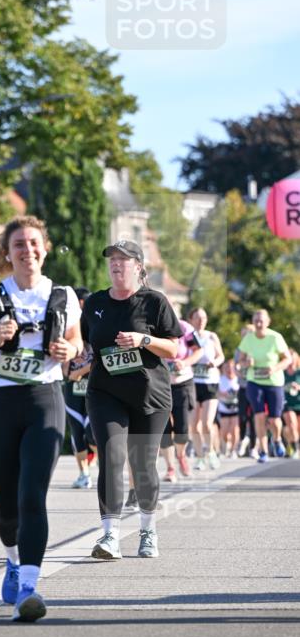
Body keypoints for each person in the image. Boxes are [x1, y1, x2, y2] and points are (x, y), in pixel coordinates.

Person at [0, 217, 82, 622]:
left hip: (44, 400)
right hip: (1, 403)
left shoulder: (62, 295)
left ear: (44, 248)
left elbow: (77, 342)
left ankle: (29, 585)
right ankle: (10, 559)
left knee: (32, 497)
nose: (27, 250)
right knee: (5, 502)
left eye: (33, 243)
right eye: (19, 244)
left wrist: (68, 351)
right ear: (7, 253)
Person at [80, 240, 181, 562]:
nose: (116, 264)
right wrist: (77, 360)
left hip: (150, 395)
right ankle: (110, 535)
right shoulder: (95, 303)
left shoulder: (154, 302)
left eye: (123, 259)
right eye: (112, 259)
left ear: (138, 266)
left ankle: (148, 531)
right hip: (105, 392)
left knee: (143, 464)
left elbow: (174, 349)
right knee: (111, 454)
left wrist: (144, 340)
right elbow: (87, 345)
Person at [236, 310, 292, 462]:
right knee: (259, 415)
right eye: (256, 321)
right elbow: (239, 362)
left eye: (261, 321)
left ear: (268, 322)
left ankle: (277, 439)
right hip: (254, 382)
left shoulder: (275, 337)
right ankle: (263, 451)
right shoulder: (248, 339)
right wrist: (246, 363)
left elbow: (287, 359)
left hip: (274, 382)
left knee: (274, 419)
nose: (259, 324)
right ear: (253, 322)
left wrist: (275, 368)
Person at [158, 302, 198, 483]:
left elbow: (199, 351)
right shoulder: (155, 328)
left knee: (182, 428)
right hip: (160, 384)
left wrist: (186, 362)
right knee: (164, 428)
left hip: (182, 382)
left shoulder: (185, 328)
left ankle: (181, 456)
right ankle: (170, 468)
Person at [63, 287, 95, 489]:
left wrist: (82, 371)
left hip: (94, 386)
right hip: (73, 388)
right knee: (76, 432)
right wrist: (67, 372)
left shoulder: (95, 325)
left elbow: (102, 356)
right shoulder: (66, 325)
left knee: (93, 433)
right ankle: (84, 473)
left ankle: (100, 460)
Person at [187, 307, 225, 472]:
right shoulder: (188, 336)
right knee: (194, 425)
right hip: (193, 382)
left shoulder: (211, 336)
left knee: (207, 424)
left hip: (210, 382)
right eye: (197, 318)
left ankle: (211, 452)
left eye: (203, 318)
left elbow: (221, 356)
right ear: (191, 320)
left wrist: (214, 363)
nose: (201, 321)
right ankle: (200, 456)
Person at [235, 323, 256, 457]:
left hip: (254, 386)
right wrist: (239, 371)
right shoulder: (238, 350)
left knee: (254, 418)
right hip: (242, 387)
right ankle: (243, 439)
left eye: (248, 334)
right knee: (242, 417)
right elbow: (235, 367)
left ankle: (254, 447)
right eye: (243, 334)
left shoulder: (256, 349)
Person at [217, 359, 240, 458]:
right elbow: (214, 392)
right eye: (227, 367)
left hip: (236, 409)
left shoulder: (238, 379)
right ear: (224, 369)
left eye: (231, 367)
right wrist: (222, 394)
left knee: (234, 429)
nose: (229, 370)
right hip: (223, 408)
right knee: (225, 432)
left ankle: (234, 450)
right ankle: (226, 446)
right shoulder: (220, 379)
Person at [282, 350, 300, 459]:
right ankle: (294, 448)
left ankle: (290, 444)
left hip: (298, 402)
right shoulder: (282, 373)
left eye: (293, 357)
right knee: (291, 424)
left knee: (297, 428)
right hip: (287, 403)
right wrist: (286, 387)